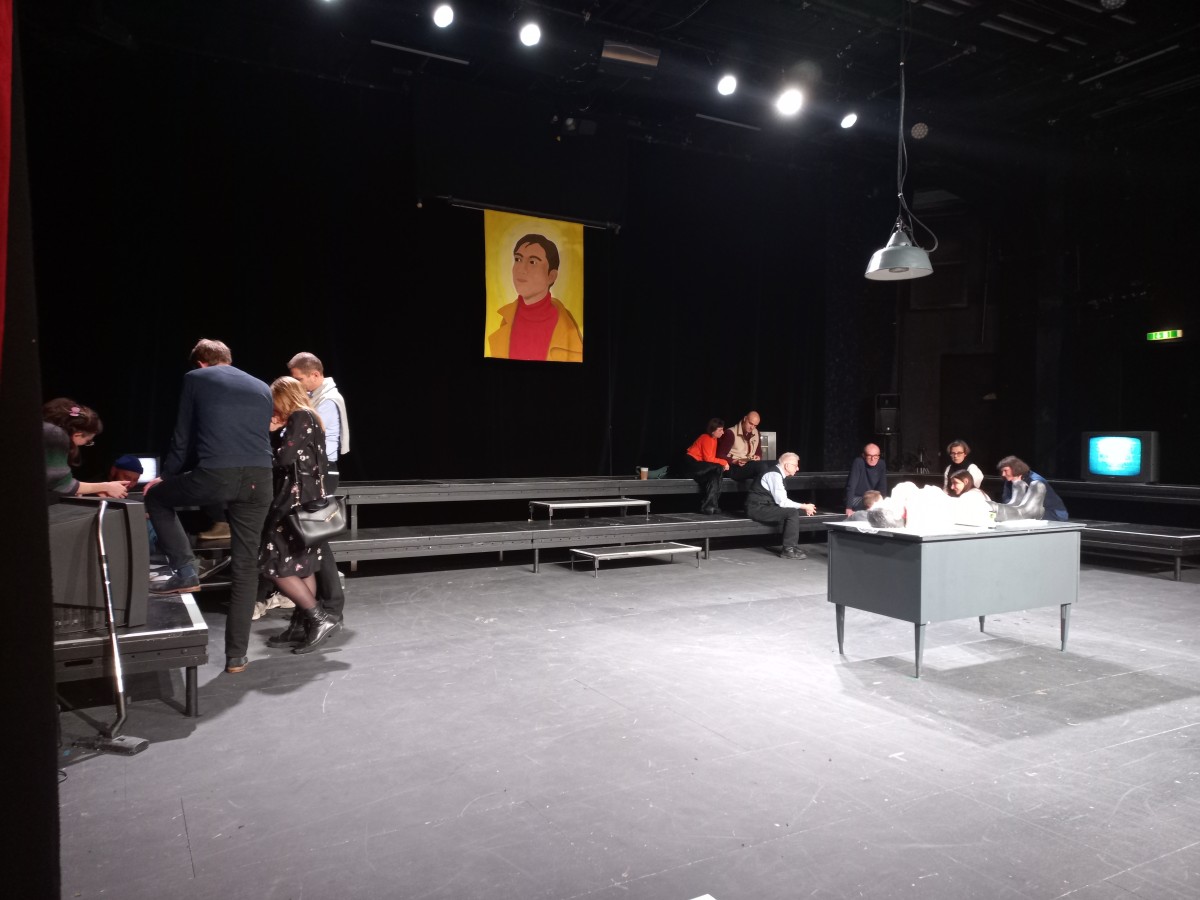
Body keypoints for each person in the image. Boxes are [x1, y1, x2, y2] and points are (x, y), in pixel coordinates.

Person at [142, 339, 273, 675]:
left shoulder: (195, 378)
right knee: (246, 565)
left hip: (217, 474)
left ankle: (186, 571)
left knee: (157, 498)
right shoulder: (261, 386)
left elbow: (182, 434)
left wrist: (166, 476)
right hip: (261, 478)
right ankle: (236, 657)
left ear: (201, 362)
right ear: (227, 359)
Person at [264, 351, 350, 647]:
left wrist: (272, 432)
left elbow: (284, 458)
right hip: (304, 496)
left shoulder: (301, 416)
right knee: (302, 562)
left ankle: (317, 616)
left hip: (294, 498)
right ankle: (303, 623)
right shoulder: (310, 415)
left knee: (275, 562)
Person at [487, 233, 583, 362]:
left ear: (551, 276)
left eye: (532, 262)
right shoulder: (506, 320)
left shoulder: (565, 326)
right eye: (518, 259)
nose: (521, 269)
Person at [42, 398, 129, 503]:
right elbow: (62, 483)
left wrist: (93, 489)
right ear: (77, 435)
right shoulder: (55, 435)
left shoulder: (44, 429)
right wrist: (106, 487)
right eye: (88, 441)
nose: (84, 444)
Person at [745, 451, 817, 559]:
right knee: (792, 512)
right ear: (787, 465)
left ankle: (791, 546)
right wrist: (804, 506)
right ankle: (788, 550)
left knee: (792, 511)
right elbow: (782, 502)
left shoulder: (778, 474)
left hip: (766, 506)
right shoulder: (774, 475)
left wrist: (803, 506)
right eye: (796, 466)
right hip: (757, 508)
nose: (797, 468)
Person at [678, 418, 729, 514]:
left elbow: (710, 461)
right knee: (718, 467)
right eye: (720, 430)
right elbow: (708, 459)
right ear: (713, 431)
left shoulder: (714, 439)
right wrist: (724, 462)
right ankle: (712, 505)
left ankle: (709, 506)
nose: (723, 432)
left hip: (701, 466)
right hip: (691, 465)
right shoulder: (706, 438)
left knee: (714, 476)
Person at [997, 455, 1069, 521]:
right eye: (1002, 471)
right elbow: (1007, 501)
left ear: (1015, 468)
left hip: (1054, 513)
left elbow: (1030, 509)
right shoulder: (1009, 481)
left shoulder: (1036, 481)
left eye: (1005, 470)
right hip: (1029, 511)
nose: (1003, 474)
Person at [715, 410, 764, 480]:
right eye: (750, 423)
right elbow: (719, 455)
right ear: (745, 419)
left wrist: (758, 456)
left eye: (755, 425)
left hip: (749, 465)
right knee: (761, 467)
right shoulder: (730, 433)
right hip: (733, 467)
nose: (752, 427)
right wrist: (735, 461)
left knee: (774, 464)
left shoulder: (756, 433)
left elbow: (758, 451)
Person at [845, 443, 887, 516]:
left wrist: (883, 504)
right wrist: (849, 507)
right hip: (856, 498)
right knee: (871, 502)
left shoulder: (881, 464)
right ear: (864, 455)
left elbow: (882, 486)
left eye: (875, 456)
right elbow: (851, 485)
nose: (872, 459)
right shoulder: (859, 462)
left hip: (872, 497)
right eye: (869, 456)